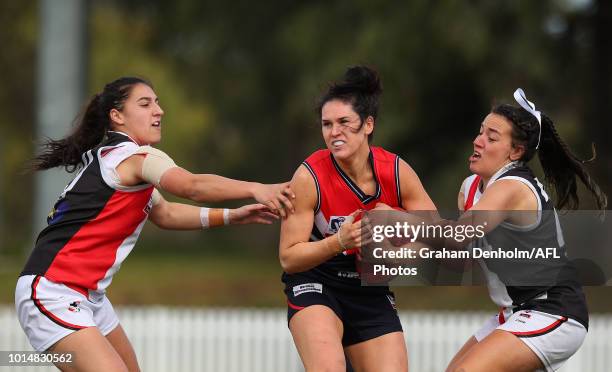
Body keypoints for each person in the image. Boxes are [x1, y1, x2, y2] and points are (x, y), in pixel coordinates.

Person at [15, 77, 295, 372]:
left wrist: (231, 215)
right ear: (117, 116)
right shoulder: (132, 158)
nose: (158, 110)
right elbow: (193, 186)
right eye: (145, 104)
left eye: (157, 102)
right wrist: (256, 188)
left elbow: (166, 214)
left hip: (87, 295)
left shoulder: (123, 163)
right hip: (52, 289)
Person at [379, 89, 606, 372]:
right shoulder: (470, 188)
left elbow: (457, 235)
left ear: (515, 152)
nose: (478, 141)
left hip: (553, 311)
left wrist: (392, 217)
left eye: (492, 137)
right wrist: (401, 255)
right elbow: (460, 251)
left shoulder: (512, 188)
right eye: (480, 132)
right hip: (516, 312)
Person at [279, 66, 436, 372]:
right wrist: (339, 242)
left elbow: (438, 236)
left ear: (368, 124)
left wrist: (394, 243)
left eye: (343, 123)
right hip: (316, 281)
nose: (333, 133)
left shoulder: (395, 171)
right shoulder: (309, 175)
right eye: (326, 124)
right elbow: (288, 257)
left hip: (369, 286)